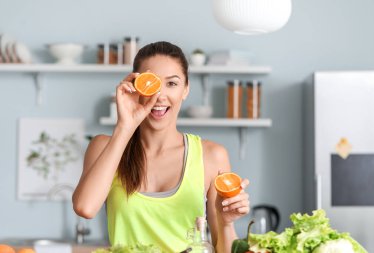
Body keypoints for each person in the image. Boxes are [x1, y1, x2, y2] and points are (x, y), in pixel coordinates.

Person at [72, 41, 250, 253]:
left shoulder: (211, 155)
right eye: (151, 83)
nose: (160, 96)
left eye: (172, 84)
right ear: (135, 87)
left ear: (186, 90)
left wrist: (226, 222)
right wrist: (124, 126)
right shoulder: (104, 146)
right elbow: (85, 207)